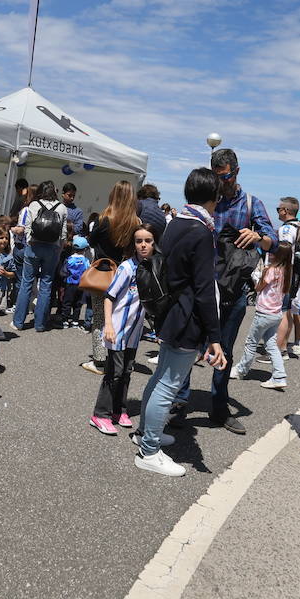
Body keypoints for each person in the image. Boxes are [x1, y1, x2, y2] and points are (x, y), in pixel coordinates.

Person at [134, 168, 226, 477]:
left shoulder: (176, 223)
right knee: (169, 384)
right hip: (187, 317)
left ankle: (146, 433)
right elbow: (203, 288)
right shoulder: (200, 230)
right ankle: (148, 450)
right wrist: (215, 335)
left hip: (169, 312)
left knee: (160, 377)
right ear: (214, 197)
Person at [185, 148, 276, 435]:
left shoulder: (251, 203)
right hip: (203, 286)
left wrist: (258, 237)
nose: (223, 182)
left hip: (234, 290)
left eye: (227, 176)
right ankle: (178, 403)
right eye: (218, 177)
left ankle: (219, 408)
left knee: (224, 349)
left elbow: (273, 239)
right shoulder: (207, 201)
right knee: (189, 347)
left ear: (237, 171)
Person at [90, 225, 153, 435]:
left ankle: (119, 410)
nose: (143, 245)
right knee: (114, 372)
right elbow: (109, 296)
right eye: (139, 241)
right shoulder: (127, 268)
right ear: (133, 245)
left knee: (126, 372)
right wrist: (108, 324)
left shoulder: (152, 267)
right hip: (117, 329)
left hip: (134, 333)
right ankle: (100, 414)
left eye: (148, 241)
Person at [85, 181, 141, 374]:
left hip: (104, 273)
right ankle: (116, 356)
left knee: (101, 316)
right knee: (121, 316)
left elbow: (90, 240)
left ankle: (100, 359)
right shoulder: (136, 223)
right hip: (125, 274)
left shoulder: (104, 219)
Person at [233, 241, 293, 390]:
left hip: (264, 313)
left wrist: (260, 275)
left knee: (251, 342)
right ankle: (279, 376)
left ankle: (241, 370)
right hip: (276, 313)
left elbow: (258, 287)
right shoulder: (286, 270)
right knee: (271, 345)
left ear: (277, 254)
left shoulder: (272, 270)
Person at [12, 180, 67, 333]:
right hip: (52, 249)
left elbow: (27, 228)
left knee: (26, 283)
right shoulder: (61, 207)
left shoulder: (34, 205)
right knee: (46, 285)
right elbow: (63, 234)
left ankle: (18, 322)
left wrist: (30, 242)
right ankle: (40, 324)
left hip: (34, 247)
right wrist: (59, 250)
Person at [273, 197, 300, 357]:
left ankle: (281, 348)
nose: (278, 212)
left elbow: (283, 254)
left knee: (284, 312)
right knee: (293, 312)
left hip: (287, 274)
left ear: (285, 211)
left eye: (279, 209)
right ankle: (293, 344)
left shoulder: (286, 230)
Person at [59, 236, 91, 327]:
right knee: (78, 303)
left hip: (70, 284)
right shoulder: (85, 260)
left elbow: (63, 272)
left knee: (67, 302)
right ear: (85, 249)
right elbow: (88, 271)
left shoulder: (69, 259)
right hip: (81, 285)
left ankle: (65, 320)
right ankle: (75, 321)